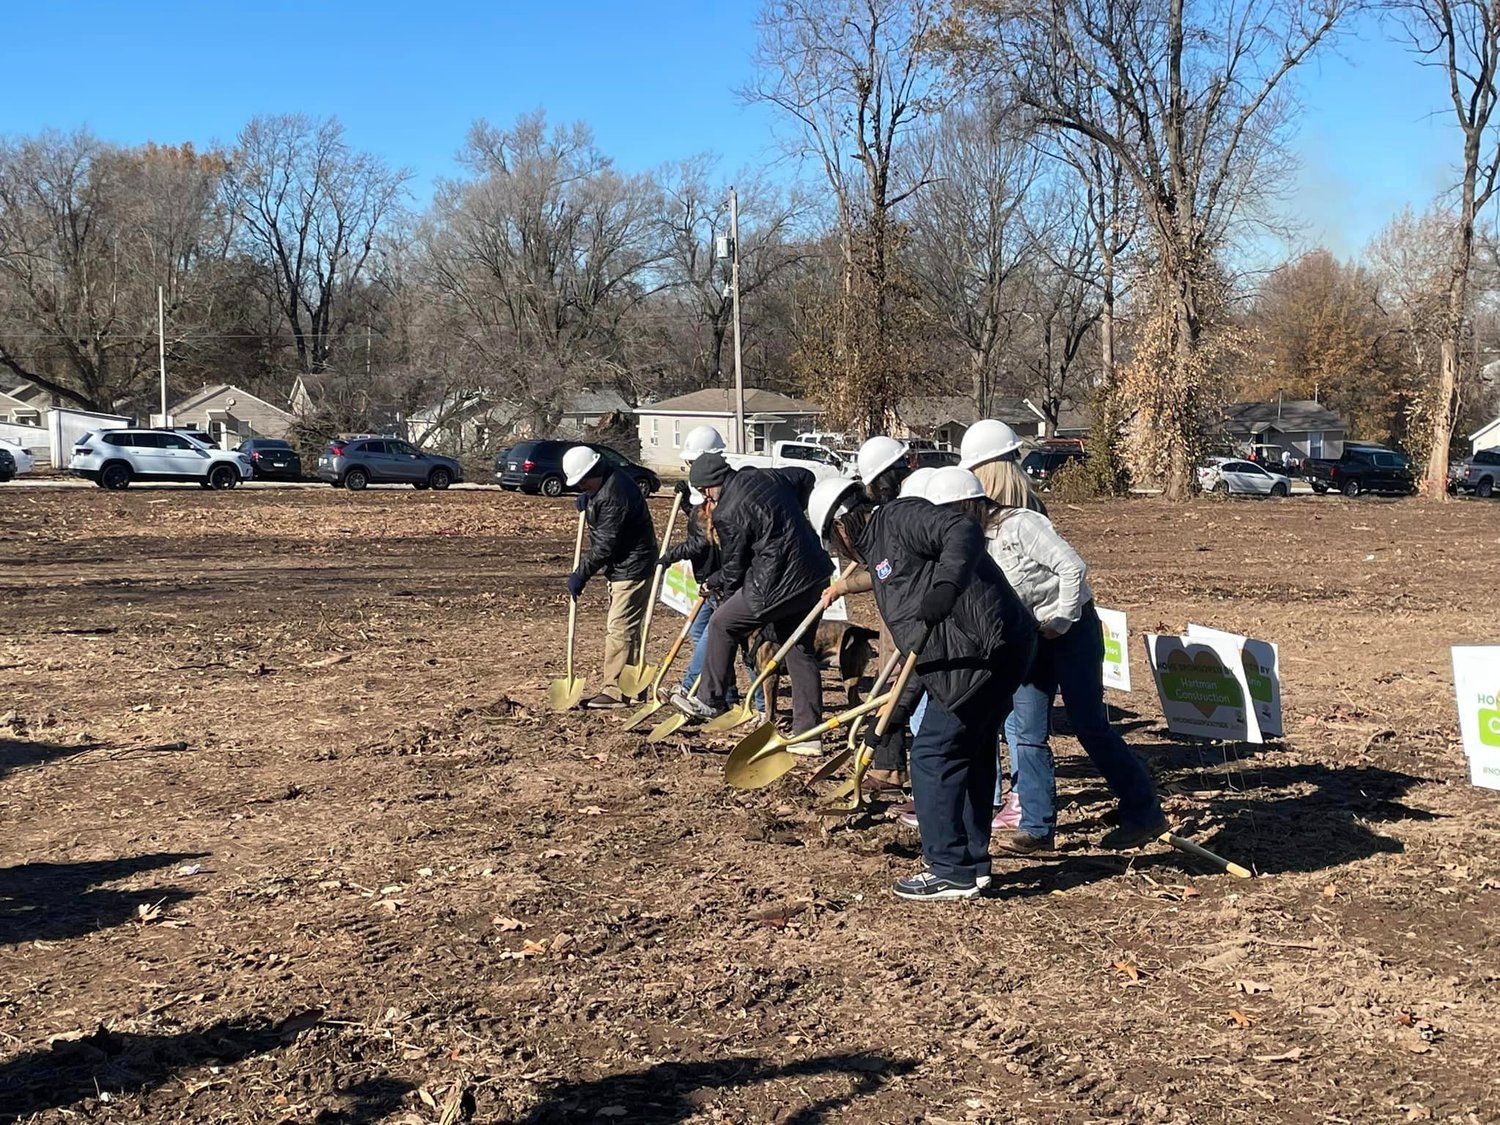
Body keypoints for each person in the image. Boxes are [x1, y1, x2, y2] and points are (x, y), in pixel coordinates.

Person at [809, 470, 1037, 901]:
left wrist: (947, 586)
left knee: (934, 752)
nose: (839, 552)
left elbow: (962, 528)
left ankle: (949, 867)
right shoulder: (880, 548)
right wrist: (891, 714)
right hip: (970, 652)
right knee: (970, 746)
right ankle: (971, 863)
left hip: (983, 647)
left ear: (840, 527)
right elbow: (919, 643)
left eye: (833, 543)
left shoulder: (898, 516)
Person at [953, 464, 1168, 852]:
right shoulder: (970, 544)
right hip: (1030, 636)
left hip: (1072, 631)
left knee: (1089, 725)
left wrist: (1064, 618)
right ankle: (1037, 828)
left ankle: (1143, 811)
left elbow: (1073, 567)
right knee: (1027, 731)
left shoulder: (1021, 526)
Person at [670, 452, 830, 752]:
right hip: (815, 576)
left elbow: (734, 569)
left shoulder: (726, 512)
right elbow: (805, 477)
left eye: (705, 492)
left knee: (721, 624)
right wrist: (794, 511)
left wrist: (720, 591)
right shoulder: (768, 475)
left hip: (774, 584)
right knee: (798, 649)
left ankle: (711, 698)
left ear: (708, 487)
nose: (707, 498)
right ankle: (808, 736)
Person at [660, 426, 762, 712]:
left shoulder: (730, 493)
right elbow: (702, 527)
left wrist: (671, 555)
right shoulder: (709, 488)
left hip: (731, 580)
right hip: (715, 578)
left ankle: (753, 701)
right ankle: (725, 694)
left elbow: (705, 540)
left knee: (735, 641)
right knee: (704, 633)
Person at [563, 445, 658, 709]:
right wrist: (589, 502)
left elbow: (604, 546)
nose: (581, 487)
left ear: (595, 472)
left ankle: (616, 691)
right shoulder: (606, 483)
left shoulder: (614, 495)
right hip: (626, 565)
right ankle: (633, 689)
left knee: (619, 629)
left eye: (583, 483)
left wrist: (581, 575)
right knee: (629, 630)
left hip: (632, 567)